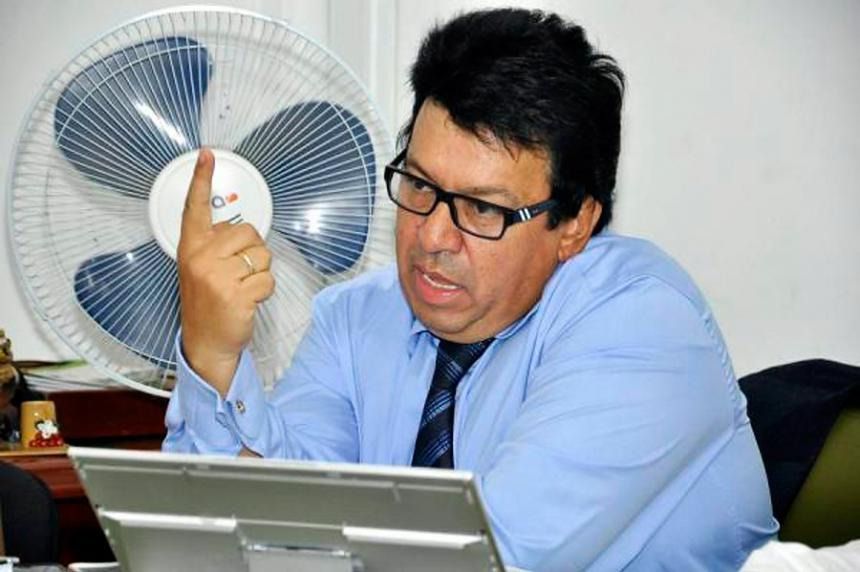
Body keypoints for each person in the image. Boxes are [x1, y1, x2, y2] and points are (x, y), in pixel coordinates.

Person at [164, 8, 778, 570]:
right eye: (420, 184)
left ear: (575, 224)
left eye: (482, 209)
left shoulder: (642, 322)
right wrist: (213, 356)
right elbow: (262, 530)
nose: (432, 236)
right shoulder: (355, 319)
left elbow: (491, 557)